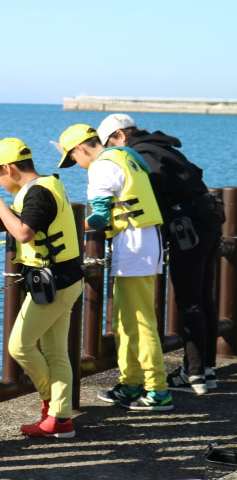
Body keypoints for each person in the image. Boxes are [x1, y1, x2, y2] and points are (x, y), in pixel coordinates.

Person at [97, 113, 222, 394]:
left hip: (188, 228)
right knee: (204, 299)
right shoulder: (162, 146)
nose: (110, 152)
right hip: (209, 220)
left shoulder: (139, 153)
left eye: (109, 144)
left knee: (190, 301)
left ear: (120, 136)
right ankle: (206, 369)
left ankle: (193, 374)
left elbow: (149, 188)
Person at [0, 138, 83, 440]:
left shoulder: (38, 193)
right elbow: (28, 221)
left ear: (8, 167)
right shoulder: (44, 187)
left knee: (19, 346)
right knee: (56, 352)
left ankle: (52, 406)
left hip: (55, 284)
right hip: (65, 280)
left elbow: (23, 232)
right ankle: (61, 421)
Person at [57, 124, 173, 412]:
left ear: (80, 149)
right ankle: (132, 382)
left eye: (73, 159)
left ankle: (158, 390)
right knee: (124, 320)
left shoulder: (101, 167)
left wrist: (62, 228)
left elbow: (98, 217)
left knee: (140, 320)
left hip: (135, 245)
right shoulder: (126, 156)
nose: (77, 165)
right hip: (141, 241)